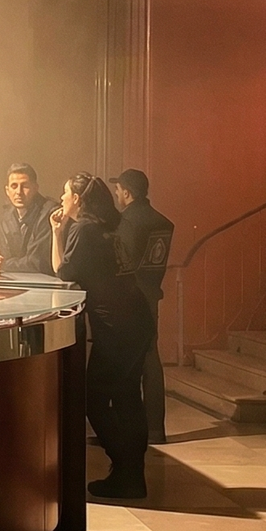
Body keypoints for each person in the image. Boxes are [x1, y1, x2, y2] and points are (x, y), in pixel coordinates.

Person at [51, 172, 155, 501]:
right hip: (137, 320)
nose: (62, 199)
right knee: (127, 397)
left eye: (66, 193)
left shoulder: (82, 228)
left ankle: (124, 468)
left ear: (78, 200)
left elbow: (63, 272)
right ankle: (133, 477)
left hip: (116, 327)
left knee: (92, 399)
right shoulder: (108, 225)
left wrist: (57, 232)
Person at [110, 168, 175, 446]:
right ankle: (155, 430)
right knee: (151, 361)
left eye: (118, 191)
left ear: (126, 192)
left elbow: (120, 262)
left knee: (123, 364)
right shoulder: (162, 221)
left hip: (128, 300)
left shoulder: (127, 222)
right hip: (152, 297)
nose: (116, 195)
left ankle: (126, 429)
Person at [0, 162, 55, 278]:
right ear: (7, 191)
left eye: (25, 186)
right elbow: (3, 254)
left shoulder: (49, 213)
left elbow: (37, 262)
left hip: (46, 285)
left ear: (35, 188)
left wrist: (4, 265)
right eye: (14, 186)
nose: (19, 192)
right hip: (16, 282)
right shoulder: (5, 215)